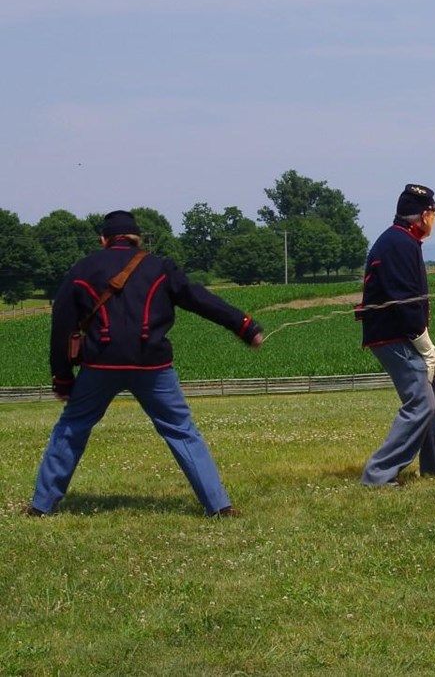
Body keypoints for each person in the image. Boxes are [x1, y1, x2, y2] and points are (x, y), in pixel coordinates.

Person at [28, 210, 263, 517]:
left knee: (72, 428)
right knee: (181, 431)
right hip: (152, 366)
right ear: (137, 239)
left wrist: (62, 379)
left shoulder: (82, 268)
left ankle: (41, 507)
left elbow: (61, 326)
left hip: (100, 365)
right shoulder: (159, 267)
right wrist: (244, 326)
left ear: (103, 240)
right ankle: (219, 507)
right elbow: (200, 299)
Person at [358, 183, 435, 485]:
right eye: (434, 214)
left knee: (433, 392)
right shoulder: (399, 244)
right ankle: (378, 475)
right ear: (424, 215)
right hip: (393, 335)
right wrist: (425, 346)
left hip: (399, 333)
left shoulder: (400, 240)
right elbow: (404, 301)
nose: (434, 220)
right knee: (420, 402)